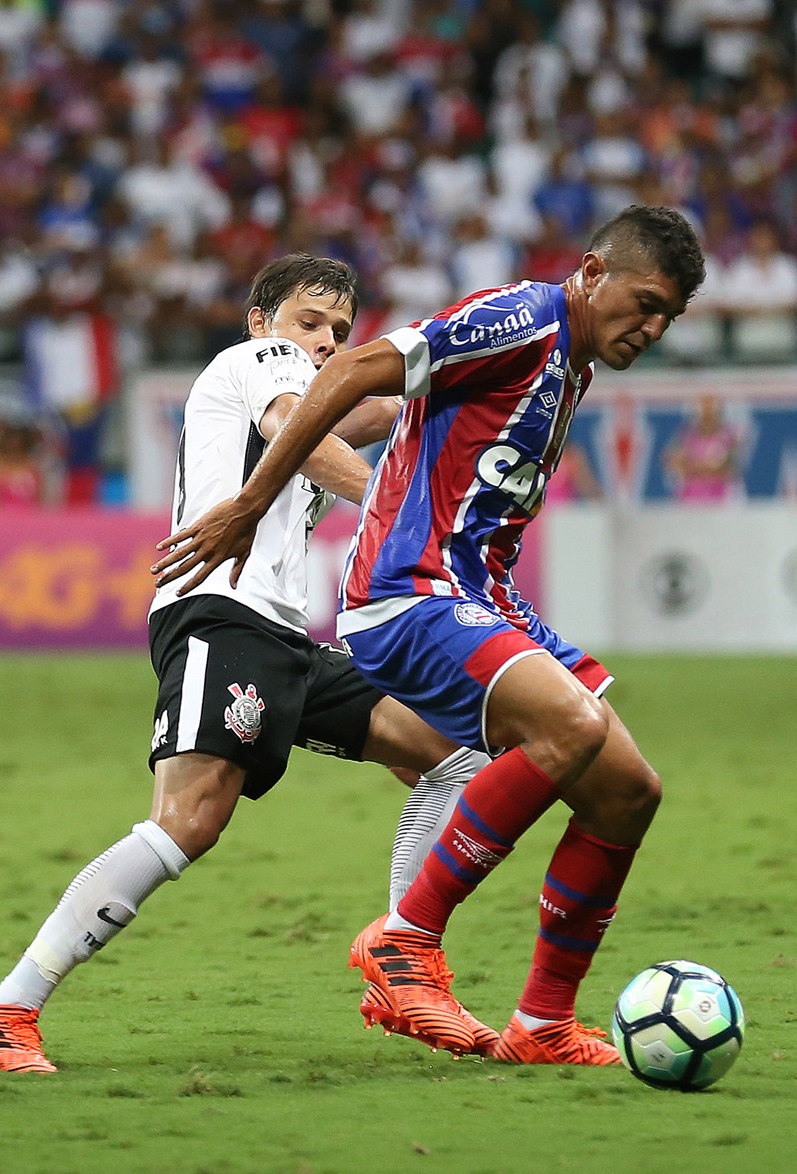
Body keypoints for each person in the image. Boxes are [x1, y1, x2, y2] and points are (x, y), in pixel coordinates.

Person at [151, 206, 706, 1065]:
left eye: (668, 315)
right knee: (572, 727)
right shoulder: (519, 317)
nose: (653, 326)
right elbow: (353, 376)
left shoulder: (574, 359)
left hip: (482, 596)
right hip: (408, 591)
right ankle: (405, 938)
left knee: (629, 788)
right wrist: (252, 503)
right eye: (643, 301)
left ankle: (542, 1025)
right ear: (593, 273)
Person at [0, 255, 491, 1073]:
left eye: (341, 332)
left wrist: (464, 370)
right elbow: (297, 433)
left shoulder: (317, 381)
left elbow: (380, 406)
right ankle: (7, 1007)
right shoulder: (254, 365)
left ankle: (401, 963)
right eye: (310, 323)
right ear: (261, 322)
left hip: (285, 637)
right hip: (219, 612)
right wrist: (403, 509)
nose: (325, 341)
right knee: (188, 822)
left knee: (452, 754)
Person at [665, 393, 740, 502]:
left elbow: (730, 468)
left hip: (719, 497)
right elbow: (673, 462)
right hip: (689, 496)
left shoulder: (729, 435)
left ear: (718, 412)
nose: (707, 413)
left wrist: (698, 467)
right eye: (704, 409)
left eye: (710, 410)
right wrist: (703, 467)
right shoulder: (685, 434)